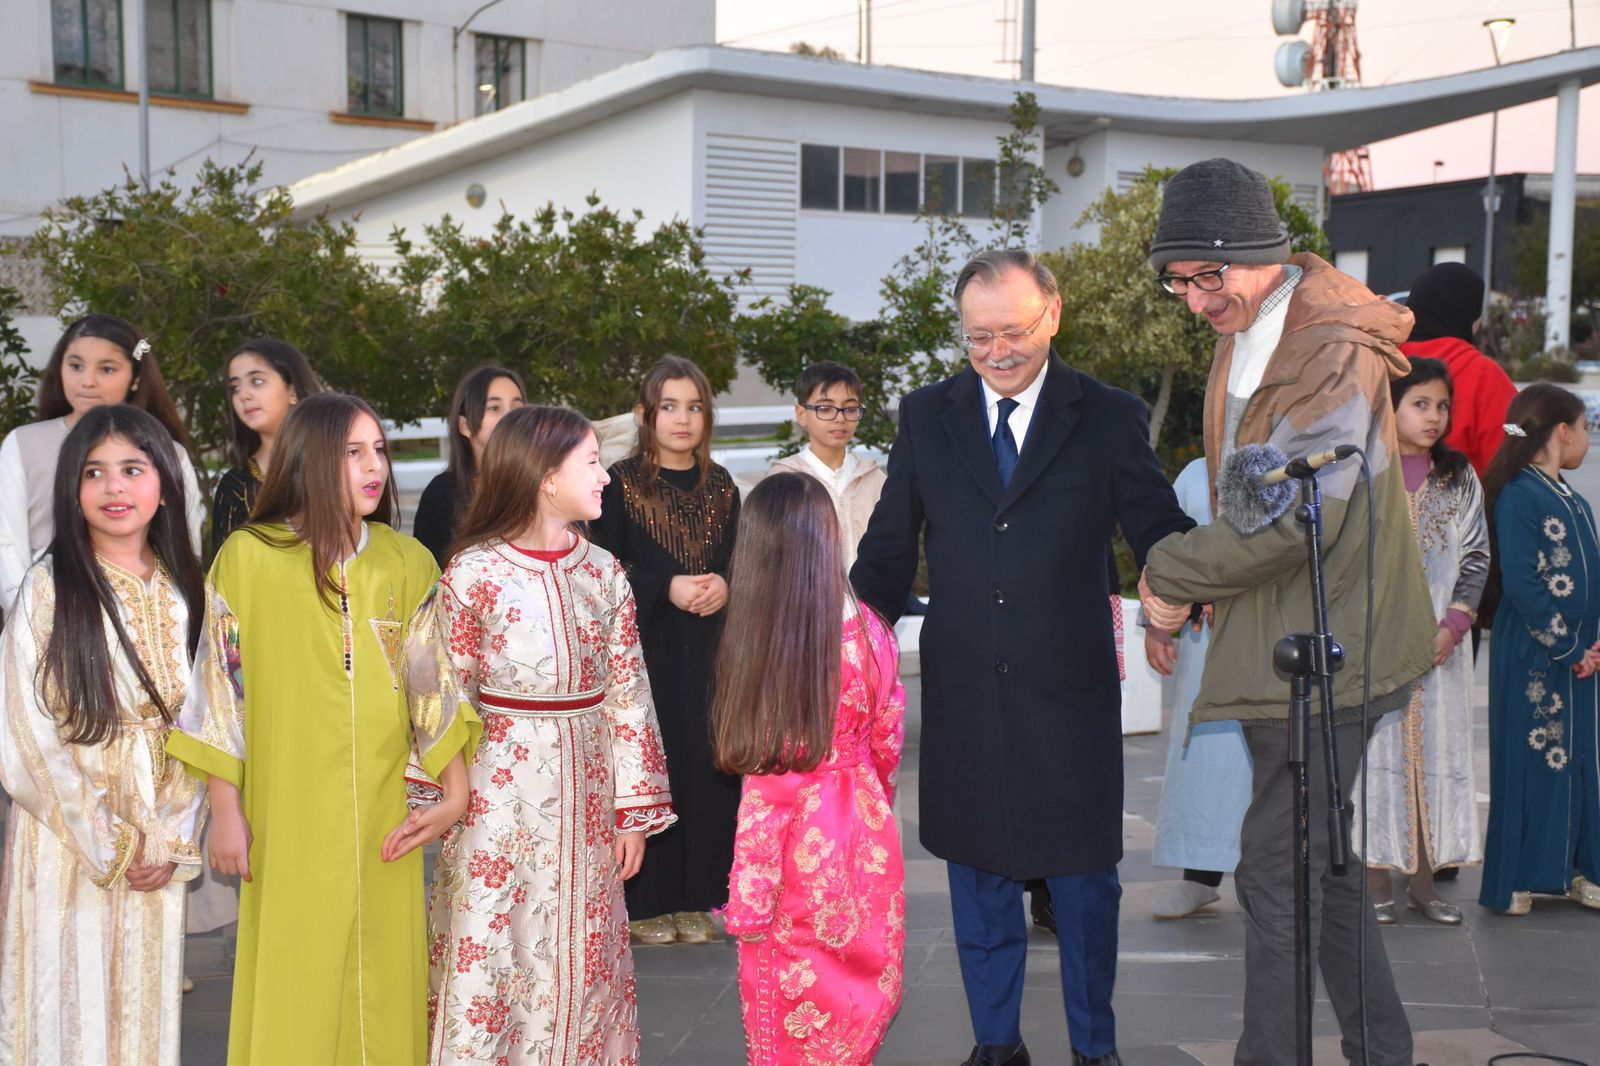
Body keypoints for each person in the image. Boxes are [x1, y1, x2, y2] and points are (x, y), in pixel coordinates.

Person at [852, 249, 1194, 1066]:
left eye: (1013, 331)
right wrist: (840, 635)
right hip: (968, 692)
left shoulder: (1106, 414)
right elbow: (891, 547)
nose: (997, 351)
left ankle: (1094, 1047)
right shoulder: (927, 415)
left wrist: (1179, 577)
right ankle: (995, 1043)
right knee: (978, 881)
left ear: (1053, 315)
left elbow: (1154, 523)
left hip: (1068, 695)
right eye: (978, 337)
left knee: (1084, 889)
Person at [1138, 158, 1435, 1066]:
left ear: (1258, 255)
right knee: (1325, 872)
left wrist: (1168, 573)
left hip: (1335, 647)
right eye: (1177, 281)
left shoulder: (1330, 347)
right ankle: (1383, 1047)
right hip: (1292, 634)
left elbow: (1295, 514)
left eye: (1205, 276)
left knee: (1276, 867)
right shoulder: (1257, 325)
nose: (1193, 300)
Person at [166, 392, 480, 1064]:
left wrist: (454, 794)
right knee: (297, 976)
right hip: (286, 811)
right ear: (310, 459)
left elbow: (433, 688)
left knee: (385, 980)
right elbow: (221, 692)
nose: (374, 467)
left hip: (383, 816)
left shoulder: (407, 561)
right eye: (352, 452)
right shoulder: (248, 558)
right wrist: (225, 810)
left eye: (381, 451)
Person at [425, 404, 675, 1064]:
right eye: (590, 463)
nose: (605, 478)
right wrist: (447, 797)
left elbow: (629, 696)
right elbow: (442, 703)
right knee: (494, 946)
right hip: (495, 806)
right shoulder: (472, 575)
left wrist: (633, 812)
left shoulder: (604, 573)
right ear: (543, 475)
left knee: (584, 954)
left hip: (589, 803)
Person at [0, 405, 207, 1064]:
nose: (115, 488)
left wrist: (173, 830)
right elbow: (26, 732)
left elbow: (211, 719)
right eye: (94, 473)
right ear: (71, 489)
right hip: (67, 835)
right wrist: (107, 839)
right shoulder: (48, 586)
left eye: (131, 469)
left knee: (143, 1008)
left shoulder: (188, 591)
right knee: (65, 1005)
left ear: (164, 482)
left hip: (160, 828)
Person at [715, 473, 907, 1066]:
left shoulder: (770, 647)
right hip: (864, 831)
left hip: (795, 852)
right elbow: (888, 734)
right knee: (859, 989)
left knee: (788, 998)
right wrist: (870, 800)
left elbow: (770, 793)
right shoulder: (870, 630)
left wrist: (748, 898)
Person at [592, 355, 741, 947]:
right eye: (669, 406)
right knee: (654, 767)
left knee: (707, 769)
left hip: (710, 655)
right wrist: (665, 586)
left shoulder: (724, 484)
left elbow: (743, 560)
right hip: (645, 655)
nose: (683, 420)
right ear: (644, 414)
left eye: (695, 407)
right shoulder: (618, 483)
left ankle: (701, 897)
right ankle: (647, 901)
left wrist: (727, 582)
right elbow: (603, 569)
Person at [1353, 358, 1488, 925]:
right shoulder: (1365, 472)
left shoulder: (1459, 479)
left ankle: (1426, 885)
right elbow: (1344, 559)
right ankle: (1377, 882)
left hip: (1441, 652)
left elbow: (1477, 557)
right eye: (1421, 403)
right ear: (1392, 406)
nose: (1435, 417)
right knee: (1376, 761)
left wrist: (1453, 627)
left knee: (1436, 759)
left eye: (1443, 406)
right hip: (1375, 648)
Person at [1479, 383, 1600, 916]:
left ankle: (1577, 870)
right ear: (1563, 431)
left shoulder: (1572, 497)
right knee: (1529, 759)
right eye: (1586, 428)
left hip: (1580, 651)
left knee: (1576, 761)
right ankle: (1516, 878)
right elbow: (1524, 584)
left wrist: (1591, 643)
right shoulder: (1519, 493)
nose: (1588, 440)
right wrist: (1570, 645)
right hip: (1535, 646)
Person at [0, 314, 202, 613]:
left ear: (135, 377)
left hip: (145, 610)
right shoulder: (24, 443)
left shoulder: (168, 453)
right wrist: (32, 617)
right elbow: (7, 543)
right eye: (76, 366)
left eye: (106, 369)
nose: (87, 380)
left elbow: (185, 541)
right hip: (52, 610)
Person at [1147, 458, 1253, 920]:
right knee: (1204, 762)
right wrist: (1156, 626)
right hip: (1202, 646)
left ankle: (1266, 881)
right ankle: (1199, 877)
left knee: (1268, 766)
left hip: (1265, 639)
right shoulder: (1194, 474)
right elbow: (1169, 550)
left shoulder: (1290, 461)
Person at [1400, 263, 1517, 477]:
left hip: (1381, 505)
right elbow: (1511, 452)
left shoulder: (1381, 362)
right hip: (1465, 505)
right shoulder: (1485, 375)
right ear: (1471, 316)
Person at [767, 361, 886, 570]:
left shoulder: (875, 480)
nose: (839, 418)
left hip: (868, 600)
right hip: (805, 599)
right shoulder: (783, 480)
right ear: (801, 414)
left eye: (850, 408)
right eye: (825, 408)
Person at [210, 338, 322, 557]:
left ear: (292, 392)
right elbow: (225, 578)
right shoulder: (235, 486)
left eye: (257, 381)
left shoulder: (337, 467)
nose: (244, 395)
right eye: (235, 388)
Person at [413, 365, 526, 567]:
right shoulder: (441, 494)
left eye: (517, 408)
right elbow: (428, 578)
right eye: (494, 408)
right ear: (465, 426)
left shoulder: (546, 484)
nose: (510, 418)